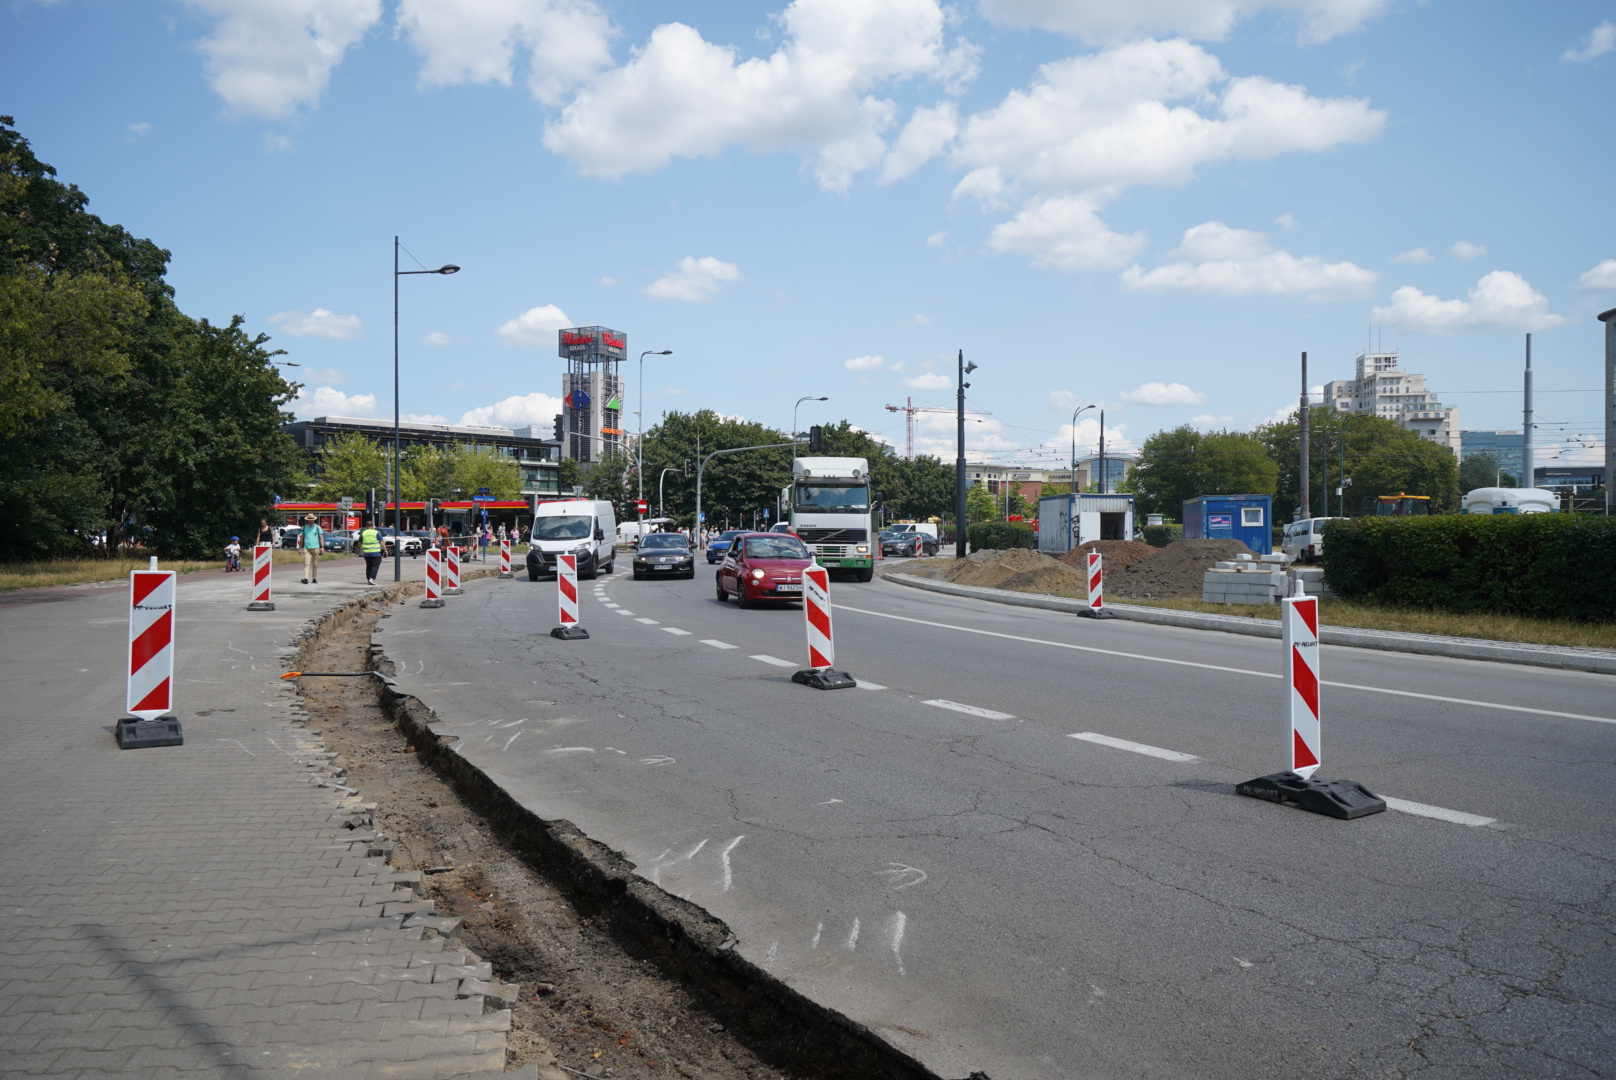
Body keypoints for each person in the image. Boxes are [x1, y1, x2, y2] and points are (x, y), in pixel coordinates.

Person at [357, 517, 383, 586]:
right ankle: (371, 579)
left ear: (366, 526)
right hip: (376, 553)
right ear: (372, 526)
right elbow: (381, 542)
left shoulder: (363, 533)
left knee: (368, 566)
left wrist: (360, 548)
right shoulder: (376, 532)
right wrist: (385, 550)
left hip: (367, 553)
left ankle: (369, 579)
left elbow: (359, 543)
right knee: (375, 566)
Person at [298, 513, 323, 584]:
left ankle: (314, 578)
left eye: (312, 520)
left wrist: (322, 547)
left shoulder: (317, 527)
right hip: (306, 548)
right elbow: (301, 538)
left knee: (315, 564)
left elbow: (321, 537)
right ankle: (305, 578)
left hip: (316, 548)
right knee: (307, 563)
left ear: (314, 520)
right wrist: (300, 548)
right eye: (309, 520)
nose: (310, 521)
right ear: (307, 520)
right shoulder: (304, 527)